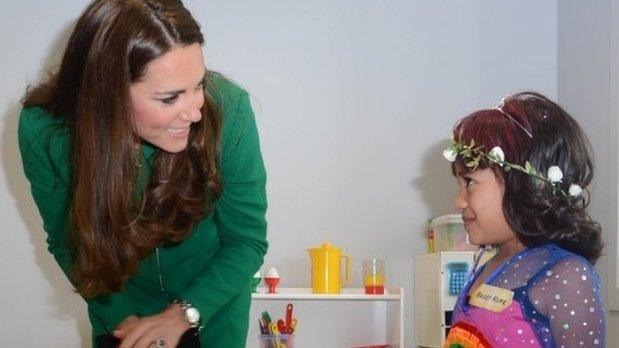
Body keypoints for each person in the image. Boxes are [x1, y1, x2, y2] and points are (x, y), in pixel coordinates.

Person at [18, 0, 268, 347]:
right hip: (120, 311)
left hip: (211, 305)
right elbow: (68, 241)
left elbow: (246, 241)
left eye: (198, 85)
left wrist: (184, 313)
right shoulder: (44, 131)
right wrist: (125, 321)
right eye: (170, 98)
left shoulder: (228, 108)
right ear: (108, 95)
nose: (195, 112)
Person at [441, 92, 605, 348]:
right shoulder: (490, 265)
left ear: (525, 185)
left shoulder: (565, 274)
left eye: (470, 182)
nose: (458, 201)